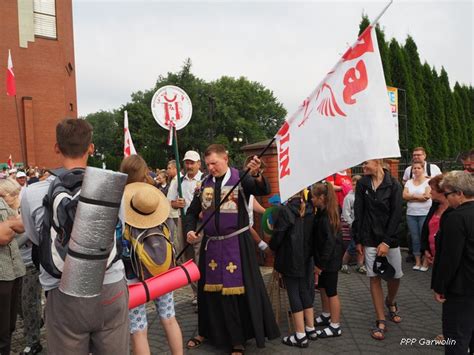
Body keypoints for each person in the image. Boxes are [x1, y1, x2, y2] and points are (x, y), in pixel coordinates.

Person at [21, 118, 129, 355]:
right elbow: (119, 229)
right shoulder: (112, 184)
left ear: (57, 148)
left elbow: (36, 239)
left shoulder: (32, 192)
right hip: (109, 283)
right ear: (91, 147)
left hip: (62, 290)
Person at [185, 144, 279, 354]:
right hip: (211, 245)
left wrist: (257, 174)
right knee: (207, 293)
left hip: (236, 244)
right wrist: (190, 231)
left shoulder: (241, 178)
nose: (211, 168)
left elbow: (264, 190)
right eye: (208, 164)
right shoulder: (203, 184)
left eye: (214, 163)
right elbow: (191, 212)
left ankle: (237, 340)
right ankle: (206, 331)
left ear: (225, 159)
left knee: (236, 294)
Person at [121, 155, 184, 355]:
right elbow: (170, 228)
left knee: (138, 331)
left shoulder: (120, 201)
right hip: (161, 266)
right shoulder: (155, 196)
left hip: (133, 273)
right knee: (169, 317)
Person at [353, 159, 403, 341]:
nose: (363, 167)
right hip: (369, 238)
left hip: (390, 239)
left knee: (395, 276)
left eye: (366, 163)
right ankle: (380, 320)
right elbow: (359, 211)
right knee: (374, 278)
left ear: (379, 162)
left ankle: (391, 301)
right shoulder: (362, 184)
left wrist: (387, 242)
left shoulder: (394, 184)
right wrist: (358, 239)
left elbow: (397, 214)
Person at [431, 171, 474, 355]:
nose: (446, 199)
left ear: (460, 193)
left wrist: (441, 286)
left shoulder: (456, 218)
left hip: (461, 288)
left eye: (448, 194)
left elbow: (450, 258)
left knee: (456, 337)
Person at [270, 191, 315, 348]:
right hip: (306, 257)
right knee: (304, 290)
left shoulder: (286, 210)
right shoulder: (310, 208)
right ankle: (310, 328)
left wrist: (271, 246)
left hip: (290, 258)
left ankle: (300, 335)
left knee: (293, 292)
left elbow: (278, 236)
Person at [168, 151, 203, 305]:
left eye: (192, 162)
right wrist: (176, 204)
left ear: (198, 164)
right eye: (187, 162)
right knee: (187, 257)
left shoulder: (204, 179)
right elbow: (168, 201)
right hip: (184, 221)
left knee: (200, 255)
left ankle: (204, 292)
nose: (189, 166)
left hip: (200, 222)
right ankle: (196, 293)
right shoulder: (178, 181)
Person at [311, 182, 343, 338]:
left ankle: (335, 325)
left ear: (321, 198)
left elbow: (329, 243)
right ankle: (326, 314)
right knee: (323, 287)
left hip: (329, 262)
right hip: (324, 261)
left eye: (313, 197)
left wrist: (321, 265)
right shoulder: (321, 212)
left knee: (332, 291)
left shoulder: (327, 218)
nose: (311, 200)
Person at [0, 179, 26, 355]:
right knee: (2, 328)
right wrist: (10, 224)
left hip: (14, 269)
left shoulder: (4, 203)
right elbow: (3, 237)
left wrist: (9, 224)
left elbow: (22, 226)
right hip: (2, 273)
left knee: (9, 325)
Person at [403, 162, 432, 271]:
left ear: (423, 169)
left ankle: (425, 261)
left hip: (424, 213)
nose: (416, 170)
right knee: (415, 238)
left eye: (418, 168)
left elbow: (427, 197)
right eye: (414, 168)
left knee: (424, 237)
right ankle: (417, 261)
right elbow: (404, 195)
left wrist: (411, 196)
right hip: (411, 214)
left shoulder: (428, 182)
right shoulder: (409, 182)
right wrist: (417, 196)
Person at [420, 174, 449, 265]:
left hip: (448, 258)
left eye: (432, 189)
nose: (430, 192)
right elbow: (426, 229)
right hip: (432, 256)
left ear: (442, 191)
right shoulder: (434, 206)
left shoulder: (454, 210)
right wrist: (426, 250)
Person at [340, 175, 366, 274]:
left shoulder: (364, 196)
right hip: (354, 226)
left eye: (358, 184)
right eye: (354, 184)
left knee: (362, 245)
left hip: (363, 225)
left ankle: (360, 265)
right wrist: (351, 223)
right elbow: (345, 213)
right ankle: (344, 263)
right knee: (353, 245)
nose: (355, 186)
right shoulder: (349, 197)